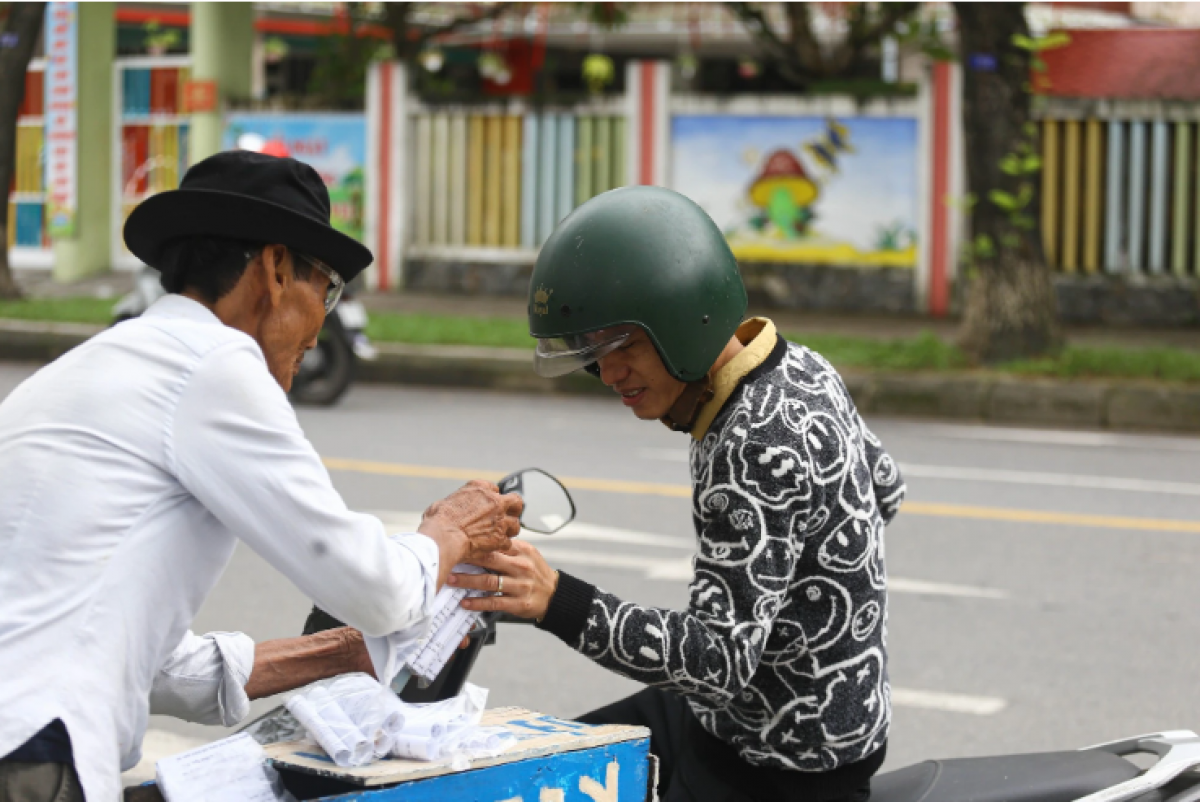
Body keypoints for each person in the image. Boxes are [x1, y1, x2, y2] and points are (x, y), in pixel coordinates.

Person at [0, 151, 522, 802]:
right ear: (275, 270)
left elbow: (150, 666)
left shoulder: (95, 367)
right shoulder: (214, 365)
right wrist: (449, 534)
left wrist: (338, 653)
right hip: (30, 751)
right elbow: (377, 589)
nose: (320, 323)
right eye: (326, 288)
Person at [451, 186, 906, 802]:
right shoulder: (802, 366)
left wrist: (554, 599)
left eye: (624, 348)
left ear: (681, 319)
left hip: (778, 765)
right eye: (593, 354)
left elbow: (718, 663)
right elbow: (885, 488)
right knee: (545, 766)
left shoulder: (751, 441)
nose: (610, 376)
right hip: (771, 722)